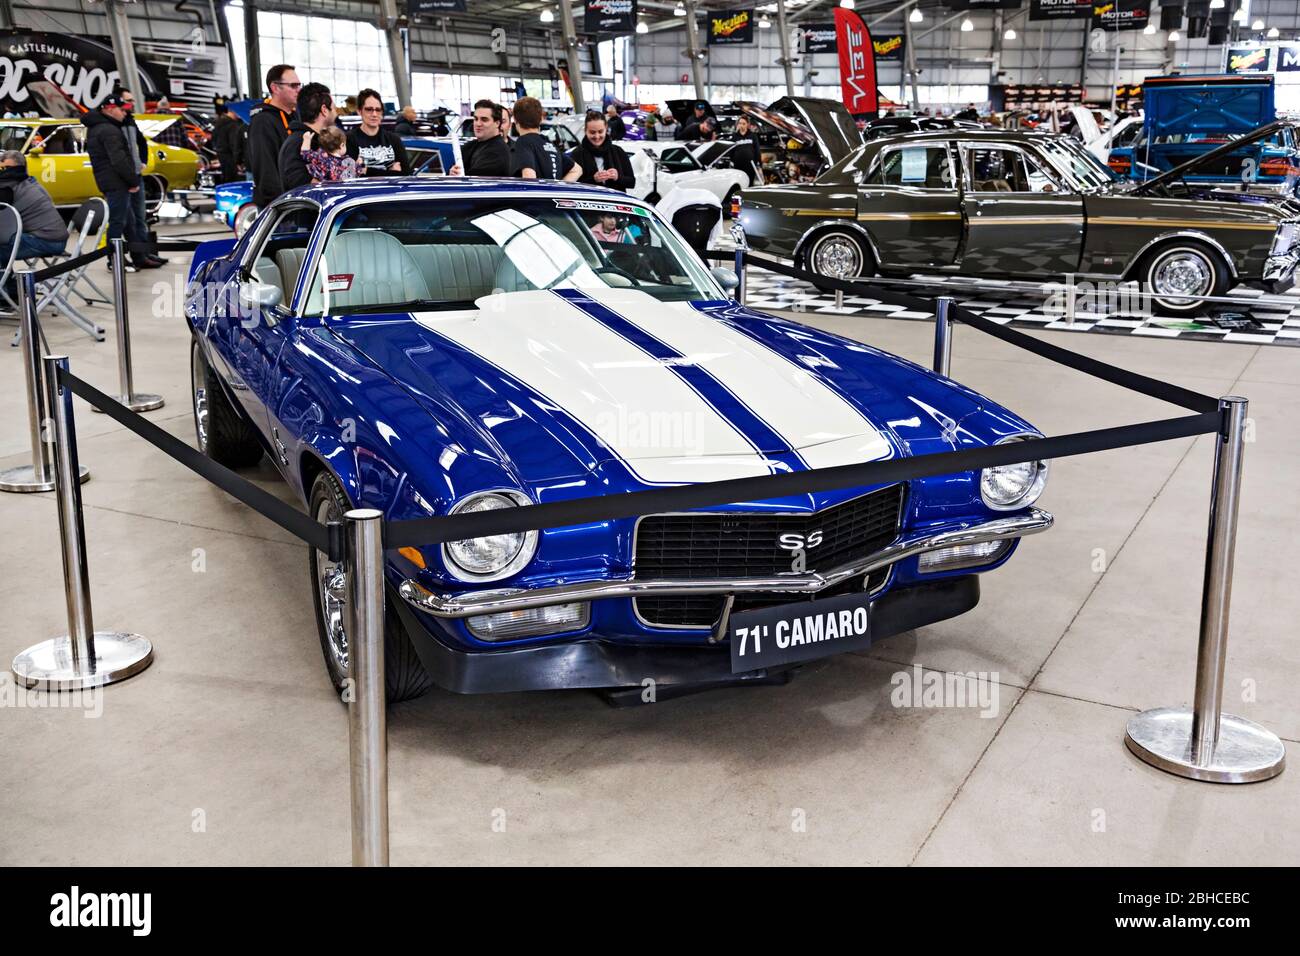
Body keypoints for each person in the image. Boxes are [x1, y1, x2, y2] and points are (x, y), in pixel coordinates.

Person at [81, 92, 163, 269]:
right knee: (118, 222)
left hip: (113, 181)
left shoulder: (102, 127)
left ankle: (138, 256)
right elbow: (119, 160)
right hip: (116, 182)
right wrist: (132, 181)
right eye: (121, 109)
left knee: (130, 221)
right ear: (110, 109)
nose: (125, 112)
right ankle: (115, 260)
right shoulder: (109, 130)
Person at [0, 150, 67, 269]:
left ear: (20, 168)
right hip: (53, 237)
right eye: (2, 169)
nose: (5, 172)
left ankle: (7, 286)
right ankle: (8, 285)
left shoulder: (9, 188)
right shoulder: (31, 182)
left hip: (46, 241)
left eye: (8, 168)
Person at [246, 64, 300, 207]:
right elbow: (265, 169)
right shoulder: (262, 121)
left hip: (298, 201)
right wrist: (280, 205)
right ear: (275, 88)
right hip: (279, 207)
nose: (298, 90)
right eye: (293, 86)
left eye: (299, 85)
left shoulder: (295, 117)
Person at [278, 82, 336, 194]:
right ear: (324, 110)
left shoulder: (311, 140)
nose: (335, 113)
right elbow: (297, 183)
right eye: (333, 108)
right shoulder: (299, 142)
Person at [511, 96, 579, 181]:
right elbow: (577, 170)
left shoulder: (523, 142)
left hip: (537, 194)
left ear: (515, 119)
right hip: (551, 193)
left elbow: (529, 176)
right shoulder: (549, 145)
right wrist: (558, 189)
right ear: (541, 119)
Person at [347, 88, 411, 175]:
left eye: (378, 110)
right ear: (359, 111)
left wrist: (366, 170)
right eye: (369, 109)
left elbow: (406, 174)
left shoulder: (394, 139)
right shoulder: (349, 139)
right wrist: (391, 173)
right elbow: (350, 175)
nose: (374, 114)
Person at [567, 111, 634, 192]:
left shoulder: (618, 152)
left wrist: (618, 177)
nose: (597, 136)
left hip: (616, 201)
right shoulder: (577, 154)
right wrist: (593, 180)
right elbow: (570, 186)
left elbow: (631, 182)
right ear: (585, 131)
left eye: (600, 131)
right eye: (592, 132)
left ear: (606, 129)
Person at [450, 99, 511, 176]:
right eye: (476, 119)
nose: (478, 124)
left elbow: (475, 179)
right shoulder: (469, 146)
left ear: (497, 123)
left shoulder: (498, 151)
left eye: (484, 119)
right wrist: (452, 173)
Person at [211, 102, 245, 184]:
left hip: (221, 154)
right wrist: (238, 160)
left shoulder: (218, 122)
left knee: (226, 177)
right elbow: (234, 143)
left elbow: (214, 138)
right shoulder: (233, 125)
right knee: (232, 179)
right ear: (234, 112)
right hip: (230, 156)